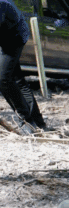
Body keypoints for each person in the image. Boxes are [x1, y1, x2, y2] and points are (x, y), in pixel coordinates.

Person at [0, 0, 47, 135]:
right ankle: (38, 122)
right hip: (4, 37)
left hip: (15, 37)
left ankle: (26, 120)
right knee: (18, 80)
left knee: (3, 79)